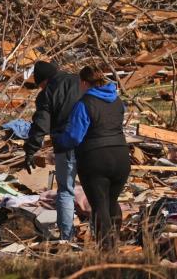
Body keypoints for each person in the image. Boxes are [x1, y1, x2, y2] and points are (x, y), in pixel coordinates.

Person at [54, 65, 129, 250]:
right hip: (121, 156)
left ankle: (107, 250)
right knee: (112, 200)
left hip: (95, 158)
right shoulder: (117, 101)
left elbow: (74, 136)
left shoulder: (85, 103)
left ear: (84, 82)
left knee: (100, 204)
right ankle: (115, 242)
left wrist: (58, 142)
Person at [24, 60, 83, 241]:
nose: (40, 88)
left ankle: (67, 237)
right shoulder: (78, 80)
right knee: (95, 188)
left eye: (39, 85)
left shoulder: (47, 94)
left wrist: (30, 150)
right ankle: (102, 235)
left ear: (44, 81)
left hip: (66, 145)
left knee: (66, 191)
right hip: (91, 144)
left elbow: (41, 125)